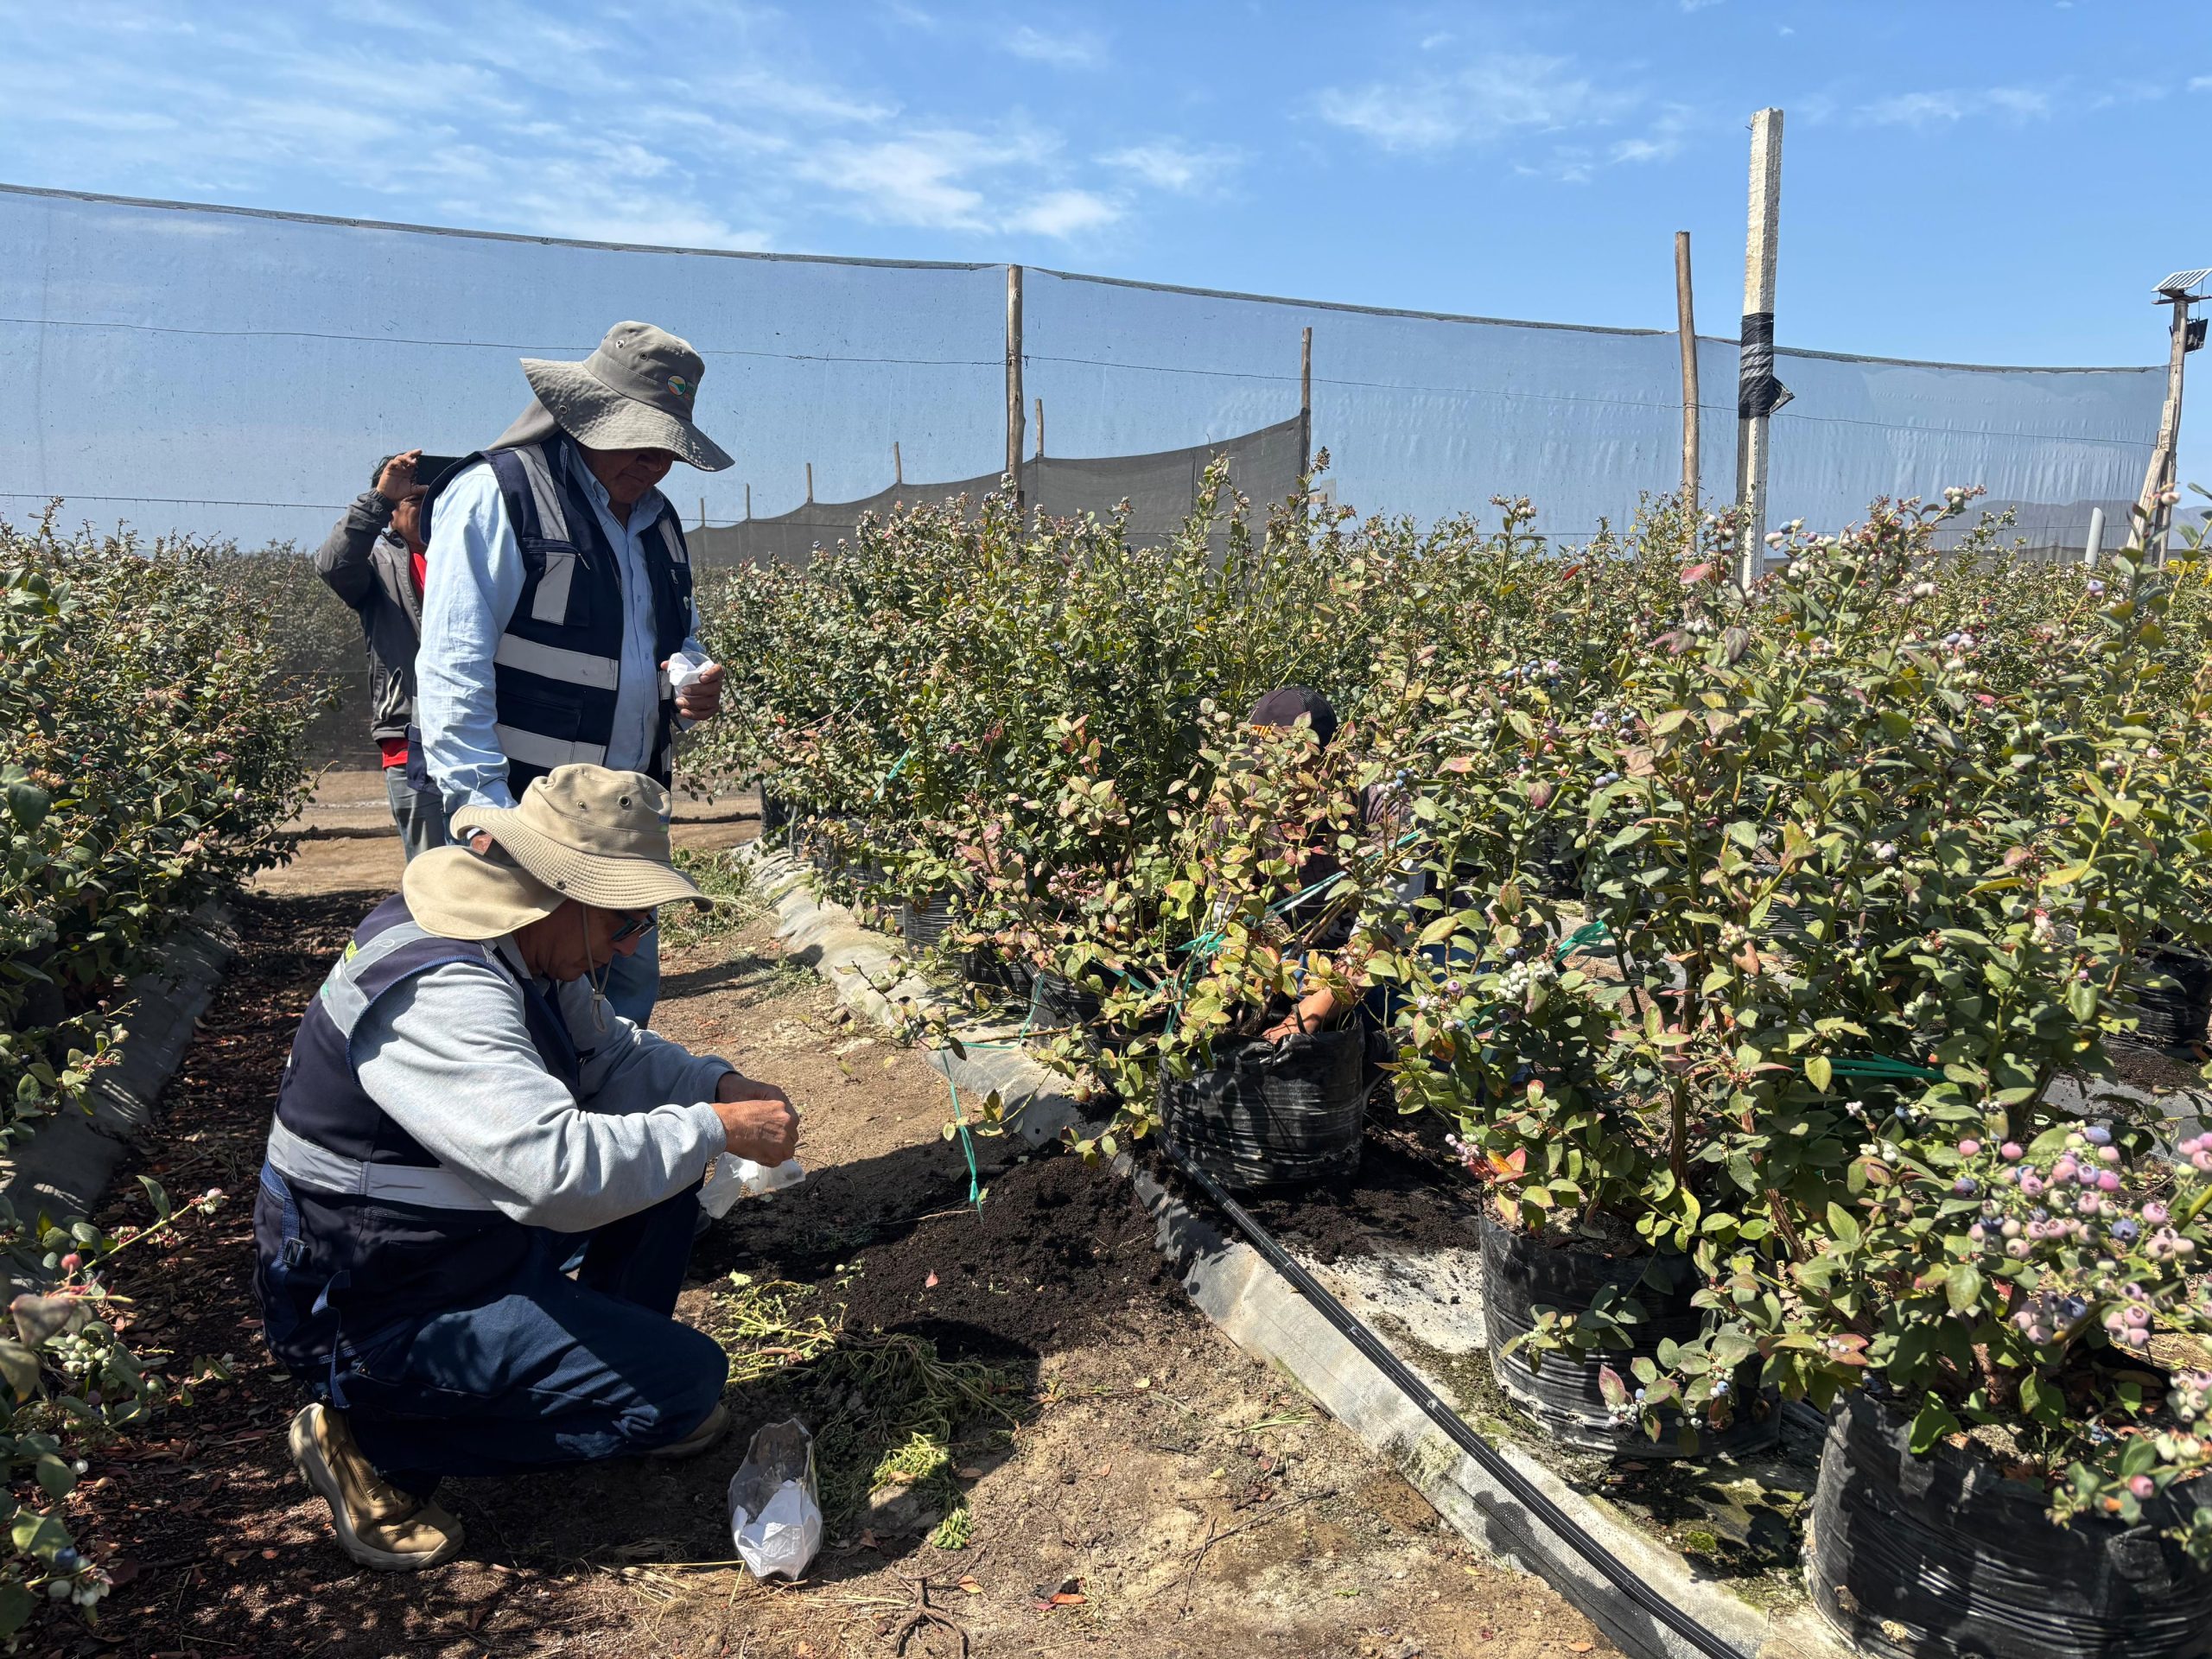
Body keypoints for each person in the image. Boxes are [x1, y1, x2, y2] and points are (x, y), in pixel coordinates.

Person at [255, 765, 799, 1571]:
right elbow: (555, 1174)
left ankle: (596, 1365)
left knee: (672, 1167)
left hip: (454, 1247)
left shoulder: (520, 949)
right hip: (378, 1301)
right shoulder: (444, 992)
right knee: (684, 1388)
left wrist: (712, 1087)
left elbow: (610, 1055)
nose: (635, 941)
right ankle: (370, 1439)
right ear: (560, 894)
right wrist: (713, 1126)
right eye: (626, 919)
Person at [416, 321, 731, 1028]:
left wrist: (685, 682)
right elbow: (452, 664)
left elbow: (669, 636)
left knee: (619, 1004)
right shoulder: (499, 495)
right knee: (517, 1008)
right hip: (527, 816)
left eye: (668, 446)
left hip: (624, 822)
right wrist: (483, 811)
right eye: (638, 436)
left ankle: (618, 1134)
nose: (654, 460)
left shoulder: (658, 520)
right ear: (586, 414)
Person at [314, 449, 448, 860]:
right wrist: (379, 498)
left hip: (484, 735)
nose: (426, 508)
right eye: (412, 500)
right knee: (434, 875)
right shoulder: (377, 563)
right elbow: (334, 563)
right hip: (412, 741)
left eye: (434, 497)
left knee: (496, 876)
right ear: (390, 512)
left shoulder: (471, 557)